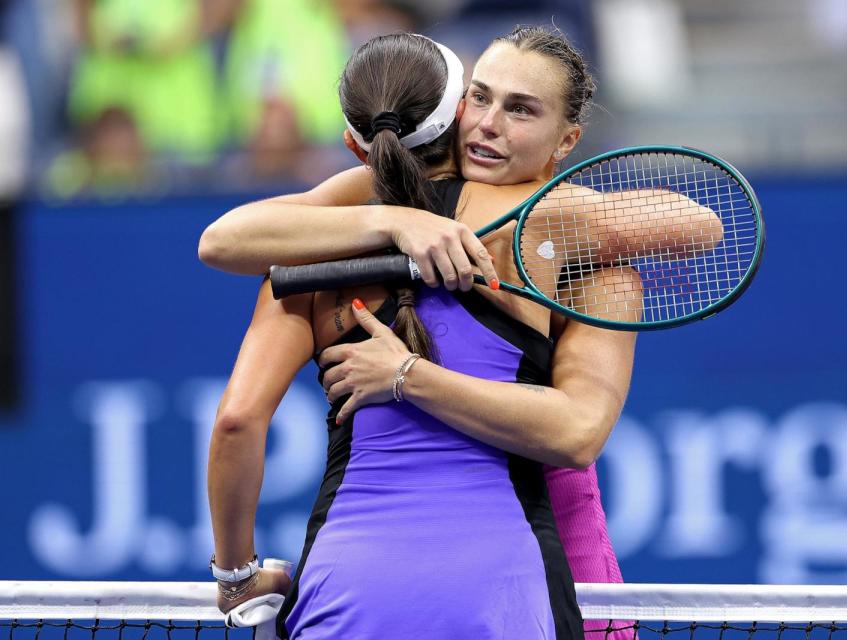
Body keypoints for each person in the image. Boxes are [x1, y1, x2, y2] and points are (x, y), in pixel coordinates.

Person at [204, 27, 720, 639]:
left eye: (521, 109)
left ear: (568, 139)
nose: (490, 124)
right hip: (506, 583)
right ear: (452, 110)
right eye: (481, 98)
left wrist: (407, 376)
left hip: (542, 563)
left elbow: (702, 225)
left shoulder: (560, 224)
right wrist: (401, 222)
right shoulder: (352, 214)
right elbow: (220, 240)